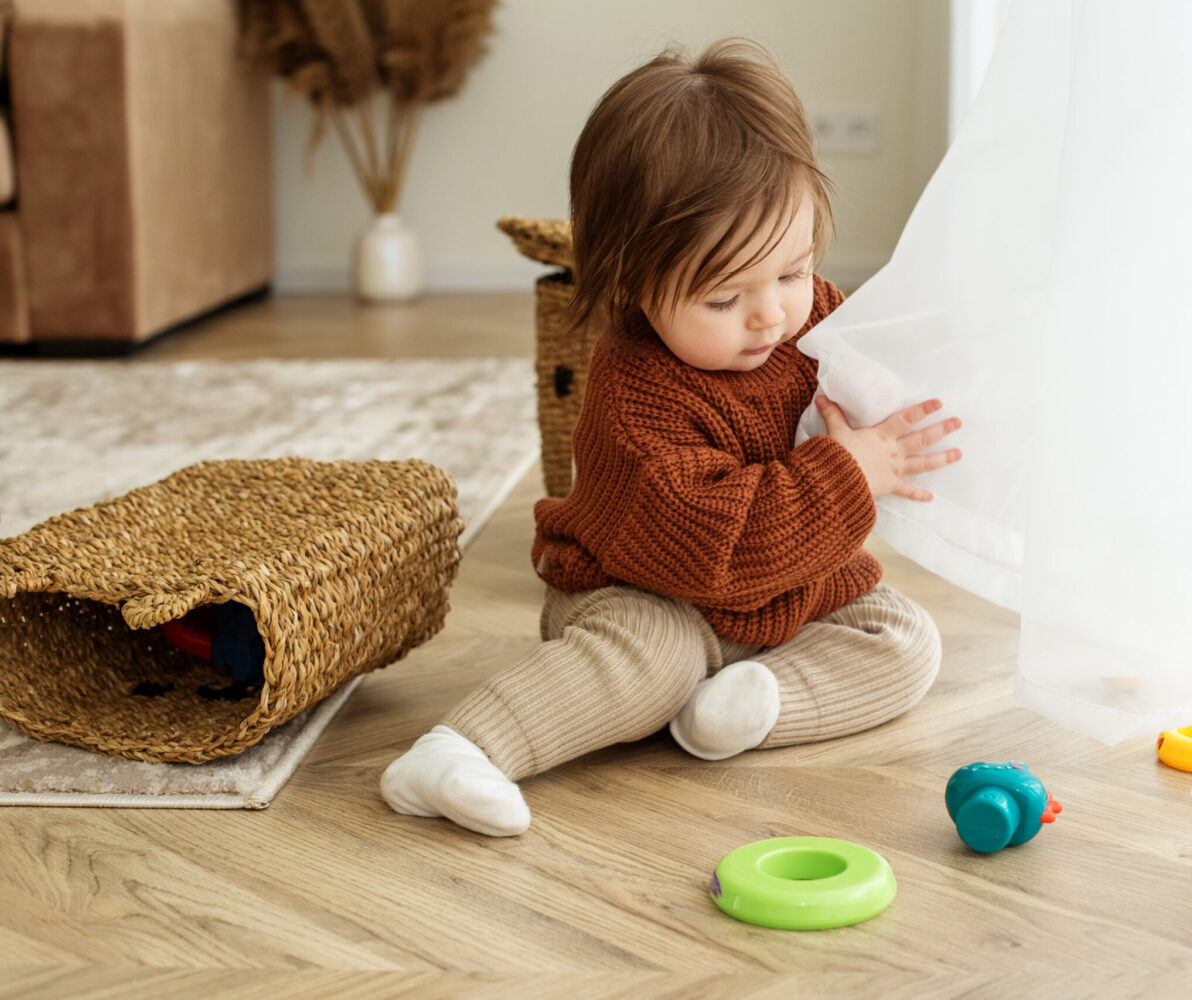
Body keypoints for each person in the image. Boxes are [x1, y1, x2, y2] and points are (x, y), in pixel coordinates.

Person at [380, 38, 963, 837]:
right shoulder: (637, 397)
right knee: (651, 660)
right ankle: (460, 751)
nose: (771, 314)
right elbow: (717, 553)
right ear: (632, 285)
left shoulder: (808, 316)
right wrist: (848, 472)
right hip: (649, 591)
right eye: (724, 296)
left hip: (787, 593)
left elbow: (879, 384)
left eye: (791, 272)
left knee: (905, 640)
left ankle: (746, 710)